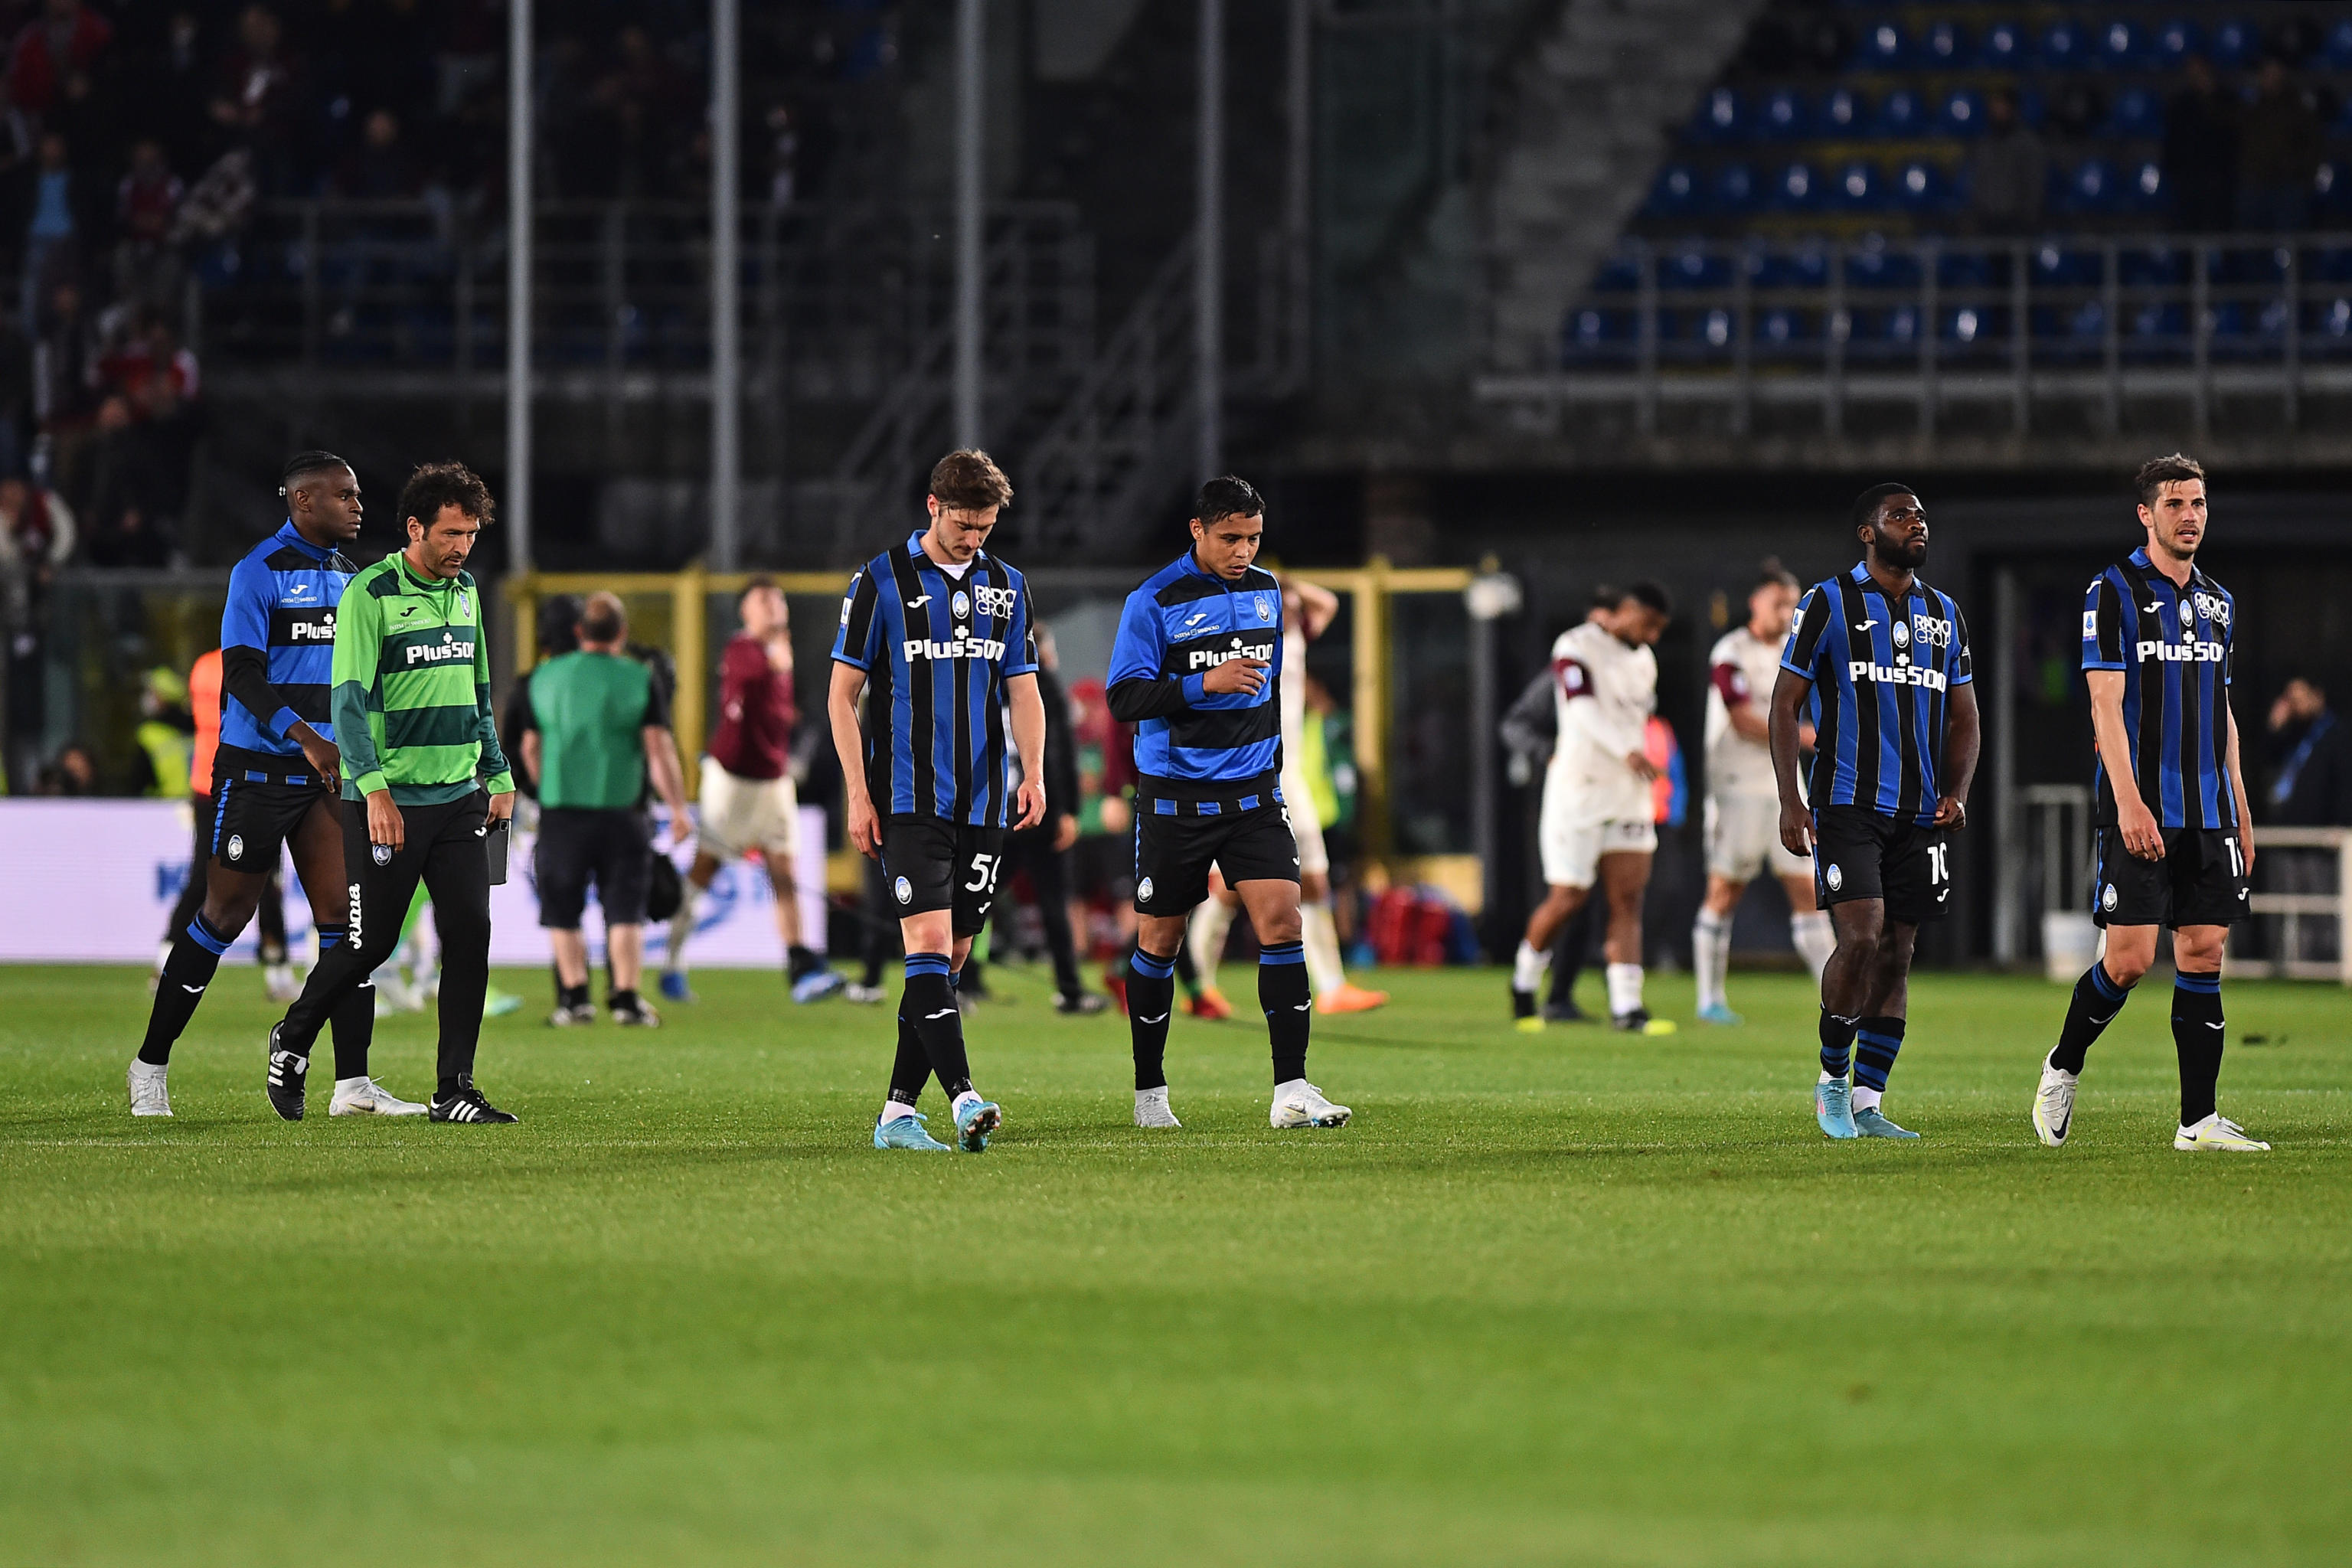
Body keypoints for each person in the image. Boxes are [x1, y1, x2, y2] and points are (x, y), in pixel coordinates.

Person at [127, 453, 413, 1117]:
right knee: (223, 918)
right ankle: (150, 1066)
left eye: (358, 494)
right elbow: (244, 676)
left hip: (328, 777)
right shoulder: (258, 572)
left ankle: (352, 1086)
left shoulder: (353, 579)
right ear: (303, 502)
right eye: (344, 495)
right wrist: (305, 736)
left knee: (348, 925)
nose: (357, 505)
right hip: (258, 772)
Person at [262, 461, 518, 1125]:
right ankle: (293, 1036)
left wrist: (498, 774)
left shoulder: (466, 595)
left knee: (470, 936)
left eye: (471, 534)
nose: (463, 547)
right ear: (415, 528)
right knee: (370, 943)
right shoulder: (370, 594)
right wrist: (372, 790)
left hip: (459, 797)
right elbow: (347, 706)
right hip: (389, 800)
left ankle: (453, 1088)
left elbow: (480, 694)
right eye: (452, 533)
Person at [2031, 456, 2267, 1153]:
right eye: (2175, 504)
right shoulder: (2112, 591)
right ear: (2147, 514)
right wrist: (2130, 802)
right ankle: (2063, 1064)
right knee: (2129, 960)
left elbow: (2223, 715)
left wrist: (2242, 810)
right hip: (2140, 804)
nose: (2189, 515)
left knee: (2204, 953)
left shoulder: (2219, 602)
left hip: (2208, 809)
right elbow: (2104, 706)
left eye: (2198, 503)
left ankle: (2197, 1122)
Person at [1106, 475, 1351, 1132]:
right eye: (1230, 538)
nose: (1244, 550)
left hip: (1253, 797)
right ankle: (1150, 1094)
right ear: (1198, 530)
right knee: (1159, 941)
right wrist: (1202, 683)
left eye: (1253, 538)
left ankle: (1291, 1090)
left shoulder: (1270, 590)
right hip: (1175, 798)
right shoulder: (1153, 600)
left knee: (1282, 923)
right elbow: (1124, 699)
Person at [828, 449, 1044, 1153]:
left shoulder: (1008, 587)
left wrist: (1033, 772)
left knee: (948, 961)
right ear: (933, 506)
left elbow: (1023, 688)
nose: (973, 537)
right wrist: (858, 795)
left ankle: (896, 1114)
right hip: (906, 798)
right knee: (923, 946)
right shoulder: (879, 580)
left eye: (984, 527)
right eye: (964, 524)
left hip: (983, 803)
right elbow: (841, 695)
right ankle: (963, 1098)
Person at [1772, 484, 1979, 1142]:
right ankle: (1832, 1081)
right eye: (1900, 515)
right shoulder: (1826, 602)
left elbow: (1966, 716)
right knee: (1861, 938)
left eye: (1920, 515)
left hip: (1920, 813)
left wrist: (1959, 791)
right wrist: (1790, 799)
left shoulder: (1944, 612)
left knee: (1897, 953)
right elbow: (1785, 704)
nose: (1916, 524)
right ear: (1868, 532)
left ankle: (1868, 1101)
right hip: (1845, 802)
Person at [1188, 577, 1387, 1018]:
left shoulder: (1294, 636)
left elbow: (1329, 602)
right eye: (1286, 607)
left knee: (1315, 880)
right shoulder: (1244, 644)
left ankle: (1333, 987)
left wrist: (1285, 584)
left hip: (1290, 777)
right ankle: (1197, 984)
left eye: (1295, 607)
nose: (1295, 612)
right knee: (1226, 890)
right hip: (1250, 774)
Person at [662, 577, 843, 1004]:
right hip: (734, 780)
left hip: (774, 780)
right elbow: (758, 677)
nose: (775, 606)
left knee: (786, 875)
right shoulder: (744, 648)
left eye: (778, 598)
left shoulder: (782, 650)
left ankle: (799, 966)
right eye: (764, 600)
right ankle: (672, 961)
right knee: (705, 870)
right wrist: (778, 657)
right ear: (747, 612)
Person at [1508, 582, 1674, 1034]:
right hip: (1579, 791)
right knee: (1568, 898)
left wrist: (1638, 757)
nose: (1653, 636)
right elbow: (1582, 712)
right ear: (1623, 611)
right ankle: (1523, 983)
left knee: (1627, 899)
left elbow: (1637, 719)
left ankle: (1628, 1007)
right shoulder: (1576, 645)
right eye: (1648, 624)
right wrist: (1627, 750)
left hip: (1629, 791)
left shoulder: (1645, 660)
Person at [519, 591, 690, 1027]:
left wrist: (545, 790)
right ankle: (627, 998)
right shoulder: (638, 677)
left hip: (561, 811)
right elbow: (658, 749)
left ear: (580, 632)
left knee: (562, 909)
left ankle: (575, 999)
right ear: (622, 633)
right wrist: (677, 807)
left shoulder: (544, 678)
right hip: (623, 812)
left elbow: (531, 747)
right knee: (625, 908)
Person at [1692, 565, 1836, 1024]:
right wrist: (1811, 737)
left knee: (1808, 891)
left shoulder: (1795, 654)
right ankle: (1709, 999)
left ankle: (1836, 999)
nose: (1787, 611)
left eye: (1793, 602)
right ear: (1755, 601)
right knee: (1724, 891)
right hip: (1736, 789)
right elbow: (1742, 719)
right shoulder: (1730, 652)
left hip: (1784, 790)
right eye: (1779, 601)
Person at [971, 620, 1108, 1013]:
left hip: (997, 808)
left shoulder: (986, 681)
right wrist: (1068, 811)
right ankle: (1069, 989)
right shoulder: (1042, 683)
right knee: (1053, 901)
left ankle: (963, 980)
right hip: (1039, 808)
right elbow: (1060, 750)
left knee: (980, 898)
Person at [153, 645, 294, 1000]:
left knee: (203, 876)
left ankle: (166, 955)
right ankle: (277, 968)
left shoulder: (203, 665)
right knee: (266, 879)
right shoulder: (259, 664)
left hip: (206, 783)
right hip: (249, 781)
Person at [2236, 56, 2320, 234]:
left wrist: (2297, 170)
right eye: (2267, 74)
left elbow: (2313, 146)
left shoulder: (2298, 108)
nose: (2272, 78)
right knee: (2250, 236)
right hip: (2256, 183)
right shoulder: (2251, 109)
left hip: (2288, 183)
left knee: (2289, 236)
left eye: (2276, 73)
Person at [2164, 56, 2238, 234]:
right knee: (2186, 233)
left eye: (2200, 70)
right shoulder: (2181, 105)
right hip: (2187, 179)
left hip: (2218, 179)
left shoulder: (2227, 100)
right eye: (2192, 71)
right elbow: (2172, 141)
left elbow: (2232, 133)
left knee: (2220, 231)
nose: (2197, 75)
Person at [2265, 678, 2350, 828]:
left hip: (2319, 828)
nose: (2296, 707)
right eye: (2291, 702)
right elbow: (2269, 762)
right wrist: (2275, 729)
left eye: (2300, 700)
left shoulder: (2336, 736)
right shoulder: (2291, 733)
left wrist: (2341, 823)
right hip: (2284, 823)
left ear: (2317, 697)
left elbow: (2343, 782)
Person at [1966, 87, 2046, 237]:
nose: (1997, 110)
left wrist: (2027, 220)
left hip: (2019, 225)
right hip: (1988, 224)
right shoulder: (1984, 144)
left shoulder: (2028, 144)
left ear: (2012, 108)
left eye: (2001, 105)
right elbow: (1977, 182)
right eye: (1994, 105)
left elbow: (2034, 184)